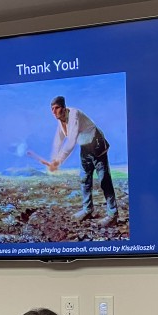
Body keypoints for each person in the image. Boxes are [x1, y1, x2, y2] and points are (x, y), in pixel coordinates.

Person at [47, 96, 119, 227]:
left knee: (104, 180)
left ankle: (112, 214)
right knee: (84, 179)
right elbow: (58, 140)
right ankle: (87, 210)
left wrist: (59, 161)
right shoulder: (60, 121)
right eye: (52, 109)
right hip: (85, 147)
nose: (54, 112)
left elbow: (71, 141)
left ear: (63, 108)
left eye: (56, 108)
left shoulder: (74, 114)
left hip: (96, 145)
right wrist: (53, 159)